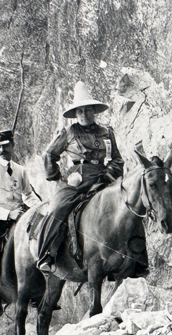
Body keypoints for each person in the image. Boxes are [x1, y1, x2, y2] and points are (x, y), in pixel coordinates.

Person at [36, 81, 123, 273]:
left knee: (127, 203)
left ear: (94, 111)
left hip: (103, 178)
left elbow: (117, 160)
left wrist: (109, 174)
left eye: (87, 110)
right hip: (77, 180)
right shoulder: (69, 132)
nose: (84, 115)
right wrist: (57, 178)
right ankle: (49, 254)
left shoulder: (107, 133)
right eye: (80, 112)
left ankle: (134, 256)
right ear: (76, 114)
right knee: (59, 207)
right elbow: (49, 155)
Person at [0, 130, 41, 316]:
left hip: (20, 216)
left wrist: (39, 208)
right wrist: (7, 213)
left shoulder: (21, 170)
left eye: (5, 146)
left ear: (12, 145)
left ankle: (37, 292)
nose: (2, 150)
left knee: (36, 243)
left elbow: (28, 195)